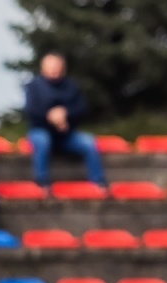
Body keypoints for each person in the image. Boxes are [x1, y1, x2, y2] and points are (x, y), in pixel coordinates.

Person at [22, 53, 105, 189]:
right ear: (43, 68)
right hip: (40, 131)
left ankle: (99, 183)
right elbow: (31, 110)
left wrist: (65, 114)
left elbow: (81, 108)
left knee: (89, 142)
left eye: (57, 66)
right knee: (43, 141)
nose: (54, 69)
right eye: (51, 66)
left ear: (63, 68)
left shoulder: (71, 85)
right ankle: (42, 182)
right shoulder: (33, 86)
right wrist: (52, 117)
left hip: (66, 135)